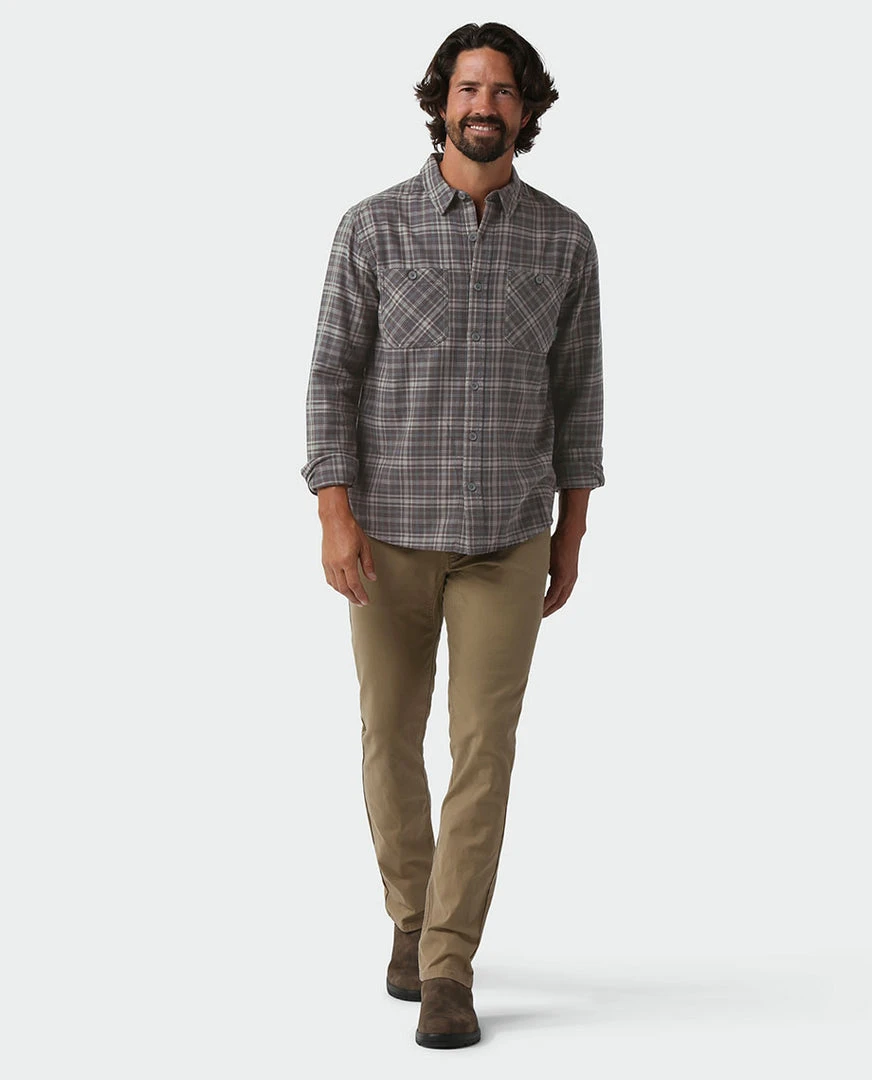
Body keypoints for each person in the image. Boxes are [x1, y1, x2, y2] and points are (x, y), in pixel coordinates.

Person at [301, 21, 605, 1049]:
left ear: (527, 109)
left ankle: (447, 965)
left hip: (506, 538)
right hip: (387, 535)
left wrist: (570, 532)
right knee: (388, 735)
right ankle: (409, 913)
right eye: (469, 87)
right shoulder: (371, 228)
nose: (484, 105)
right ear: (441, 102)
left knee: (484, 747)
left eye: (503, 90)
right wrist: (334, 513)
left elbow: (579, 395)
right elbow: (330, 377)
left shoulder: (563, 240)